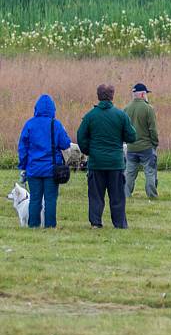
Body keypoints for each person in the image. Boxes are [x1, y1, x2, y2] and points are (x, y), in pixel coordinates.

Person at [77, 84, 137, 228]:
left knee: (96, 195)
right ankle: (119, 224)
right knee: (117, 196)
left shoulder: (90, 116)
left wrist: (89, 151)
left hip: (96, 162)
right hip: (115, 163)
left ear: (98, 96)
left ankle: (96, 223)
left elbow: (80, 137)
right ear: (112, 96)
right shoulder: (121, 115)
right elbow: (132, 136)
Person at [17, 94, 72, 228]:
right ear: (53, 109)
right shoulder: (56, 124)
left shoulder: (29, 124)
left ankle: (33, 225)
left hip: (33, 168)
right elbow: (65, 144)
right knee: (50, 199)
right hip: (51, 169)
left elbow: (22, 148)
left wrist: (23, 166)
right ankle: (50, 225)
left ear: (36, 108)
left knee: (35, 199)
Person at [123, 83, 159, 199]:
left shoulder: (126, 109)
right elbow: (152, 129)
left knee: (129, 173)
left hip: (131, 148)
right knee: (150, 172)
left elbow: (124, 129)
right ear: (143, 94)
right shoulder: (148, 109)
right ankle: (152, 195)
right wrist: (155, 143)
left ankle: (125, 194)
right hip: (146, 147)